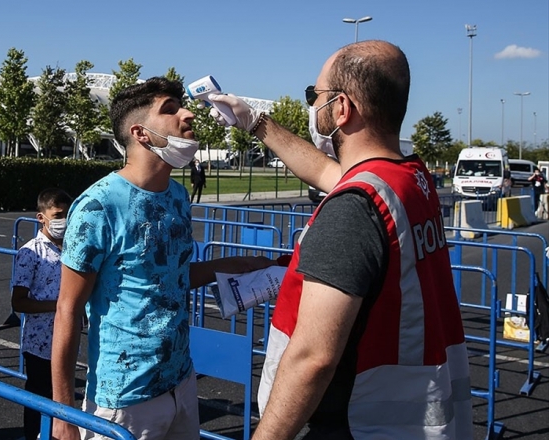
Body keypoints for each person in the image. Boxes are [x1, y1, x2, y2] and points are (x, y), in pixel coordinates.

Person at [208, 40, 473, 439]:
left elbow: (313, 358)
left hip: (357, 424)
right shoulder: (408, 178)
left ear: (342, 108)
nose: (312, 104)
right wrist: (256, 123)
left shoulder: (353, 208)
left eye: (313, 95)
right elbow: (325, 173)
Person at [51, 77, 275, 440]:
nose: (188, 115)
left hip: (181, 382)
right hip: (124, 399)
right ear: (140, 133)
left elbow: (171, 276)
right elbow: (67, 309)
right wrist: (63, 414)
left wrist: (241, 266)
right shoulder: (98, 206)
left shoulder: (178, 196)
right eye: (170, 109)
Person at [11, 187, 72, 440]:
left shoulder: (72, 248)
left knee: (62, 396)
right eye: (57, 215)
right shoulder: (31, 252)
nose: (63, 221)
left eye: (67, 215)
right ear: (41, 217)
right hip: (39, 343)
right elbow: (19, 302)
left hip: (66, 337)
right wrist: (59, 306)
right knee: (38, 396)